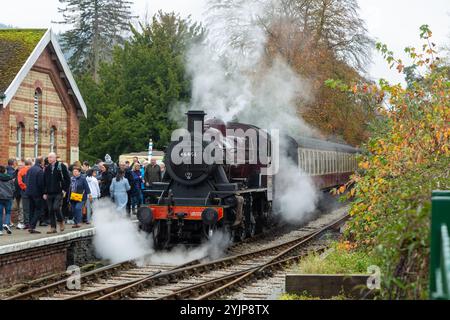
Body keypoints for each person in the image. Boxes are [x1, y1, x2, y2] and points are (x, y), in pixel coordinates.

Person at [43, 152, 71, 234]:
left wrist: (64, 189)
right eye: (48, 157)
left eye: (51, 157)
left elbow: (67, 179)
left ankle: (61, 221)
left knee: (56, 207)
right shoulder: (47, 168)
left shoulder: (61, 166)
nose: (49, 159)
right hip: (49, 192)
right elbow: (44, 181)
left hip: (59, 191)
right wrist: (44, 192)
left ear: (55, 158)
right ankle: (53, 227)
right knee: (50, 210)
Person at [25, 157, 45, 234]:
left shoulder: (30, 169)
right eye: (43, 161)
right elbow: (41, 184)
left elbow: (26, 180)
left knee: (31, 209)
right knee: (38, 209)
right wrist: (43, 192)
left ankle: (30, 226)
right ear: (41, 162)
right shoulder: (40, 171)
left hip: (29, 192)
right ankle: (32, 226)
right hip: (37, 193)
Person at [16, 159, 32, 229]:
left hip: (25, 192)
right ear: (30, 163)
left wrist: (25, 188)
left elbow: (20, 182)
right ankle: (32, 222)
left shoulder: (20, 171)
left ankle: (27, 223)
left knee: (25, 208)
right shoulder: (33, 170)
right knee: (32, 207)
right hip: (33, 192)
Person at [0, 165, 15, 235]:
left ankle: (0, 230)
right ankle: (6, 224)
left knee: (0, 214)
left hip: (0, 197)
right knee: (8, 212)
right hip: (8, 198)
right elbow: (13, 189)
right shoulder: (10, 178)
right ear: (4, 171)